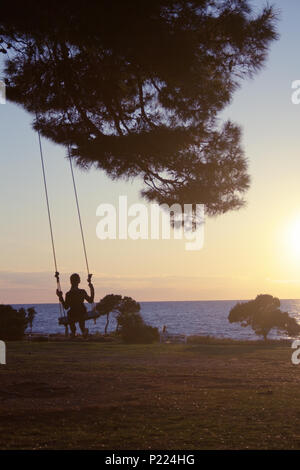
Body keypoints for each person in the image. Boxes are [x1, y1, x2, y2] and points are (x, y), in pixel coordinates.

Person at [56, 273, 95, 338]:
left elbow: (66, 307)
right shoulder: (82, 292)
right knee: (81, 316)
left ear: (70, 282)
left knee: (71, 315)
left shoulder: (68, 294)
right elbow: (91, 300)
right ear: (79, 281)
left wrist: (60, 297)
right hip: (81, 312)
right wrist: (92, 288)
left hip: (72, 313)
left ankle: (73, 332)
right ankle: (83, 331)